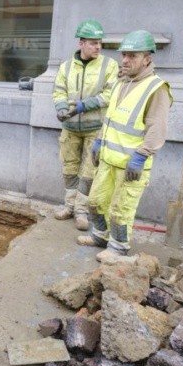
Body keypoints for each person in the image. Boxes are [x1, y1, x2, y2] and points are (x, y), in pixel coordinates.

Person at [77, 30, 173, 261]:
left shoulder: (155, 88)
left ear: (147, 59)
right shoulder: (122, 83)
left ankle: (118, 248)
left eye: (132, 56)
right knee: (96, 201)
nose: (125, 60)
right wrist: (100, 141)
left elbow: (157, 128)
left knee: (121, 209)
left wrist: (141, 155)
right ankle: (101, 236)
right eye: (124, 55)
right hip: (109, 160)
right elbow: (111, 118)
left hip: (130, 165)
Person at [52, 20, 119, 230]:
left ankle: (81, 210)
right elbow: (59, 90)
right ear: (81, 43)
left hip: (95, 129)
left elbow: (110, 94)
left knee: (89, 171)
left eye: (99, 43)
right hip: (70, 128)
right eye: (93, 43)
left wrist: (83, 106)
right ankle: (69, 206)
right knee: (69, 169)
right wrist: (62, 108)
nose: (98, 47)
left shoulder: (109, 66)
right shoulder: (66, 67)